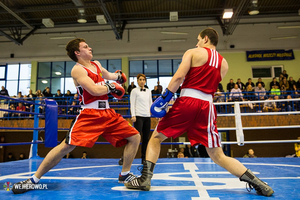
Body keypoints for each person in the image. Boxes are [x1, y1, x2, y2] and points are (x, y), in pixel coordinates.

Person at [125, 28, 274, 197]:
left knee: (156, 138)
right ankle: (258, 183)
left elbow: (179, 77)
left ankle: (145, 179)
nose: (196, 43)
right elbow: (209, 85)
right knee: (217, 154)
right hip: (207, 107)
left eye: (198, 40)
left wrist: (164, 98)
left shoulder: (193, 52)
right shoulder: (224, 63)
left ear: (205, 39)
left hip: (188, 102)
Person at [12, 38, 141, 194]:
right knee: (66, 146)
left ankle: (125, 174)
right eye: (86, 47)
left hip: (107, 113)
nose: (90, 48)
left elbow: (110, 76)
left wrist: (118, 77)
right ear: (77, 53)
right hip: (90, 114)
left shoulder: (97, 65)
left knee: (135, 137)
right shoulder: (77, 70)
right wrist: (111, 87)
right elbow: (94, 90)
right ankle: (33, 180)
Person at [129, 73, 153, 164]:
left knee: (146, 139)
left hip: (147, 116)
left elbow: (150, 103)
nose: (142, 81)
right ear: (137, 81)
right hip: (138, 117)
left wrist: (154, 114)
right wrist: (133, 115)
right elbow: (132, 104)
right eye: (140, 79)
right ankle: (126, 157)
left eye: (143, 80)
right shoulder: (134, 91)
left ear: (145, 81)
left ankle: (144, 158)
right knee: (135, 138)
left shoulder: (148, 91)